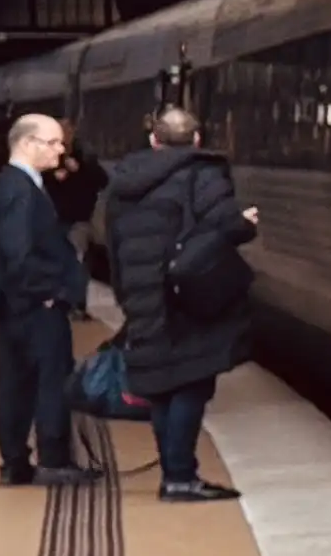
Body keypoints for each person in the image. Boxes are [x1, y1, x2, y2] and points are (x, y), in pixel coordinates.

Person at [96, 102, 258, 500]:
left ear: (154, 140)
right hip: (188, 296)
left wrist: (126, 296)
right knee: (190, 384)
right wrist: (245, 224)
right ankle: (180, 476)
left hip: (143, 293)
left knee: (161, 385)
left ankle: (174, 472)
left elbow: (114, 245)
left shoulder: (124, 182)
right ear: (197, 139)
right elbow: (223, 226)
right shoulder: (203, 174)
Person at [0, 110, 89, 487]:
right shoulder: (19, 189)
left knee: (15, 382)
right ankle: (53, 459)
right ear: (28, 143)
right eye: (54, 142)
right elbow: (17, 251)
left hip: (12, 307)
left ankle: (15, 462)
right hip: (32, 307)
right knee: (49, 380)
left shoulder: (11, 184)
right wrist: (49, 292)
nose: (61, 150)